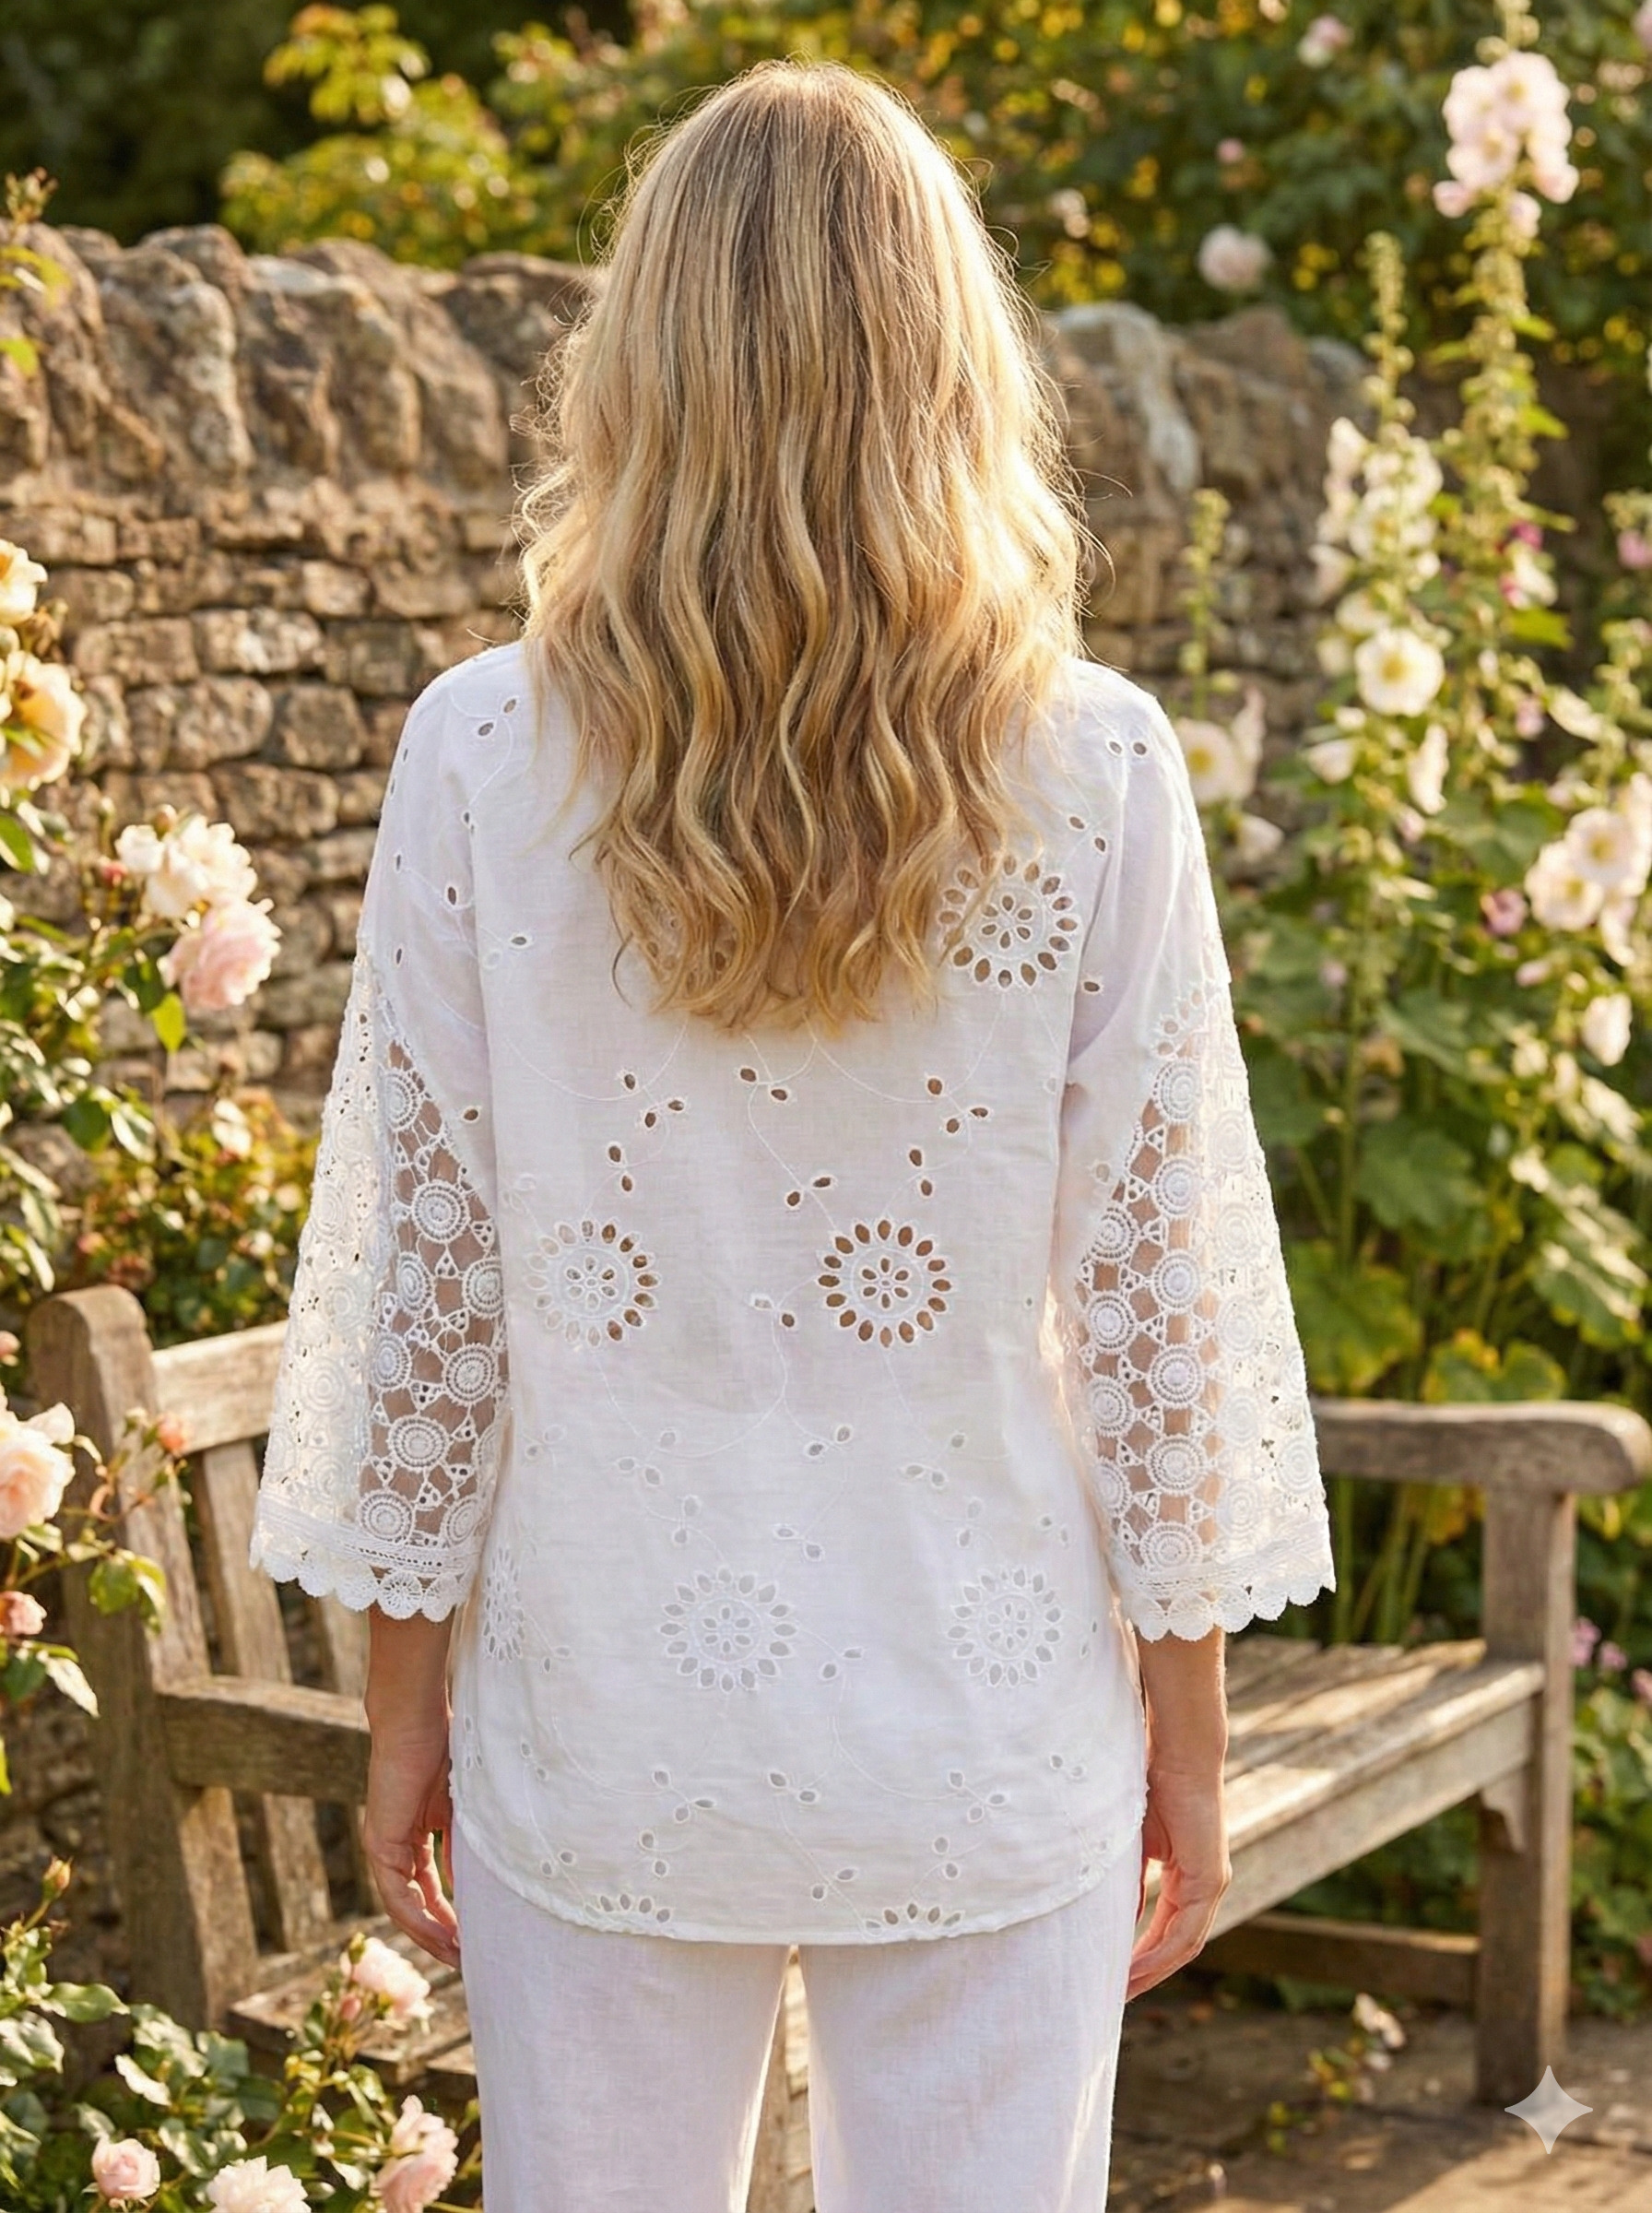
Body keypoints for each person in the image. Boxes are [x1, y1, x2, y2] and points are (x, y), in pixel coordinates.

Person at [249, 53, 1336, 2213]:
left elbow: (423, 1301)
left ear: (634, 362)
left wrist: (401, 1719)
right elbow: (1160, 1322)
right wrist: (1190, 1752)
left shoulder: (479, 757)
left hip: (600, 1718)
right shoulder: (1097, 769)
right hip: (983, 1722)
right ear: (949, 361)